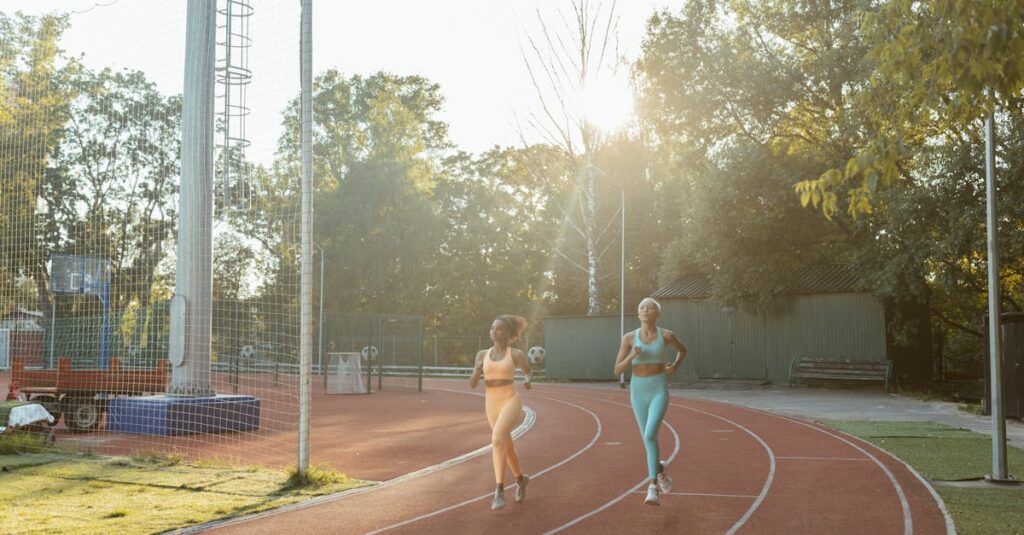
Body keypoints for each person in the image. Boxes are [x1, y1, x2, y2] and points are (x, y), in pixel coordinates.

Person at [613, 297, 688, 506]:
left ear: (658, 314)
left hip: (658, 389)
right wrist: (631, 357)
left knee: (649, 434)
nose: (646, 310)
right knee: (648, 440)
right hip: (638, 391)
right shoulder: (629, 338)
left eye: (651, 307)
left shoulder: (666, 335)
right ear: (638, 313)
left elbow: (683, 350)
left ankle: (652, 487)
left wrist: (674, 365)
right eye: (642, 307)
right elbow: (617, 369)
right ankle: (661, 469)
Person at [469, 314, 533, 510]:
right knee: (507, 446)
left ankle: (499, 490)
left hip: (510, 400)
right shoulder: (481, 355)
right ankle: (521, 479)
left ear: (508, 333)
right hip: (491, 403)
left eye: (499, 328)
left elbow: (528, 370)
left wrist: (527, 380)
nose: (494, 331)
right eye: (492, 328)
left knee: (497, 439)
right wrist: (478, 371)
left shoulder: (515, 354)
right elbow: (472, 384)